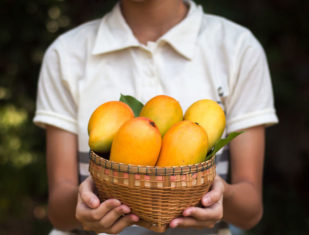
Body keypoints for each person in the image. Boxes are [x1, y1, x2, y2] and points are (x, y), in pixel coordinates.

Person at [33, 0, 278, 234]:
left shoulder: (237, 48)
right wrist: (84, 201)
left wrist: (217, 194)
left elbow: (250, 211)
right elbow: (58, 211)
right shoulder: (66, 54)